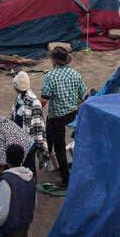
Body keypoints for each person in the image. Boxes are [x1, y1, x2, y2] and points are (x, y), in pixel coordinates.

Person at [38, 47, 86, 187]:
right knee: (50, 128)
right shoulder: (76, 74)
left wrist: (34, 109)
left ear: (54, 61)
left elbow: (44, 100)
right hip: (71, 114)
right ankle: (49, 150)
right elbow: (84, 96)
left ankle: (66, 179)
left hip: (57, 117)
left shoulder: (50, 77)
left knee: (60, 146)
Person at [11, 71, 45, 177]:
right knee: (20, 163)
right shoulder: (19, 98)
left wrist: (33, 141)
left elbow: (37, 124)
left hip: (29, 140)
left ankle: (31, 186)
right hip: (18, 137)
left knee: (29, 165)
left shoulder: (34, 102)